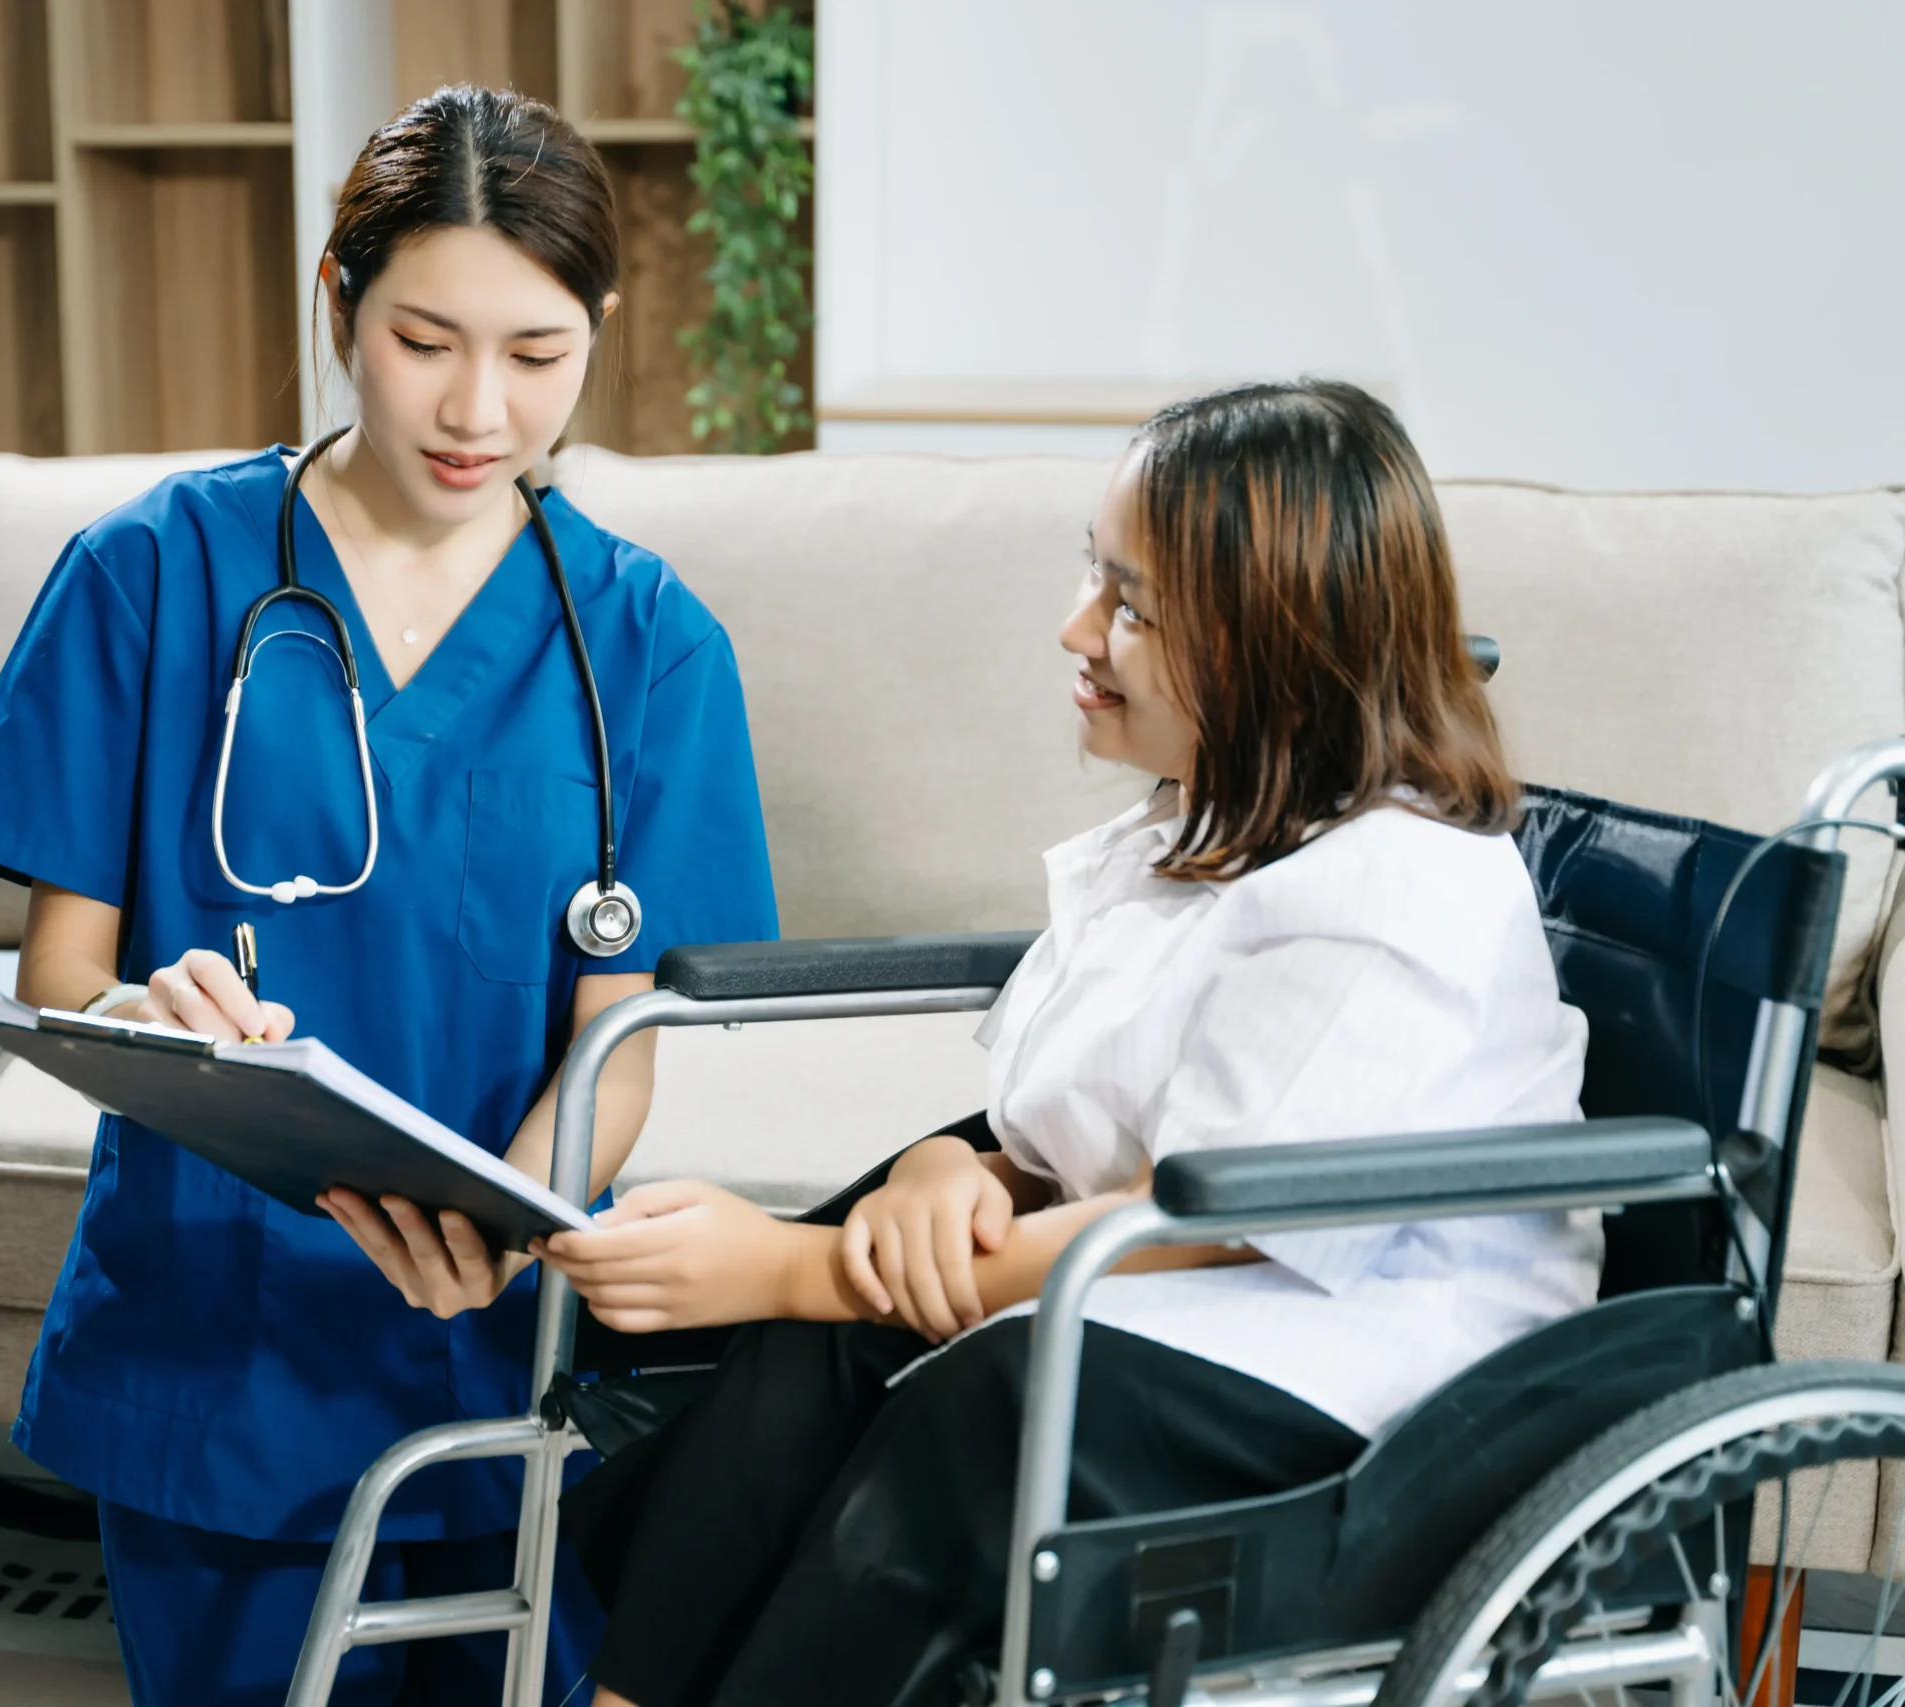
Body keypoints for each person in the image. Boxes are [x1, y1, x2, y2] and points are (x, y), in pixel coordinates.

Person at [535, 380, 1601, 1707]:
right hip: (1193, 1291)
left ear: (1275, 643)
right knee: (839, 1322)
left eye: (1133, 606)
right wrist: (948, 1174)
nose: (1077, 629)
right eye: (1097, 581)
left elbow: (1210, 1210)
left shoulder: (1393, 888)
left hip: (1373, 1365)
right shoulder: (1195, 832)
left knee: (968, 1400)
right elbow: (1080, 1124)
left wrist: (801, 1266)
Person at [0, 86, 778, 1706]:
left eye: (537, 355)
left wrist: (507, 1230)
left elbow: (628, 1036)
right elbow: (60, 979)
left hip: (490, 1332)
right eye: (423, 339)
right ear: (339, 304)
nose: (477, 408)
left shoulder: (651, 643)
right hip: (213, 1328)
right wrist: (139, 1009)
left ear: (598, 329)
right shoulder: (153, 569)